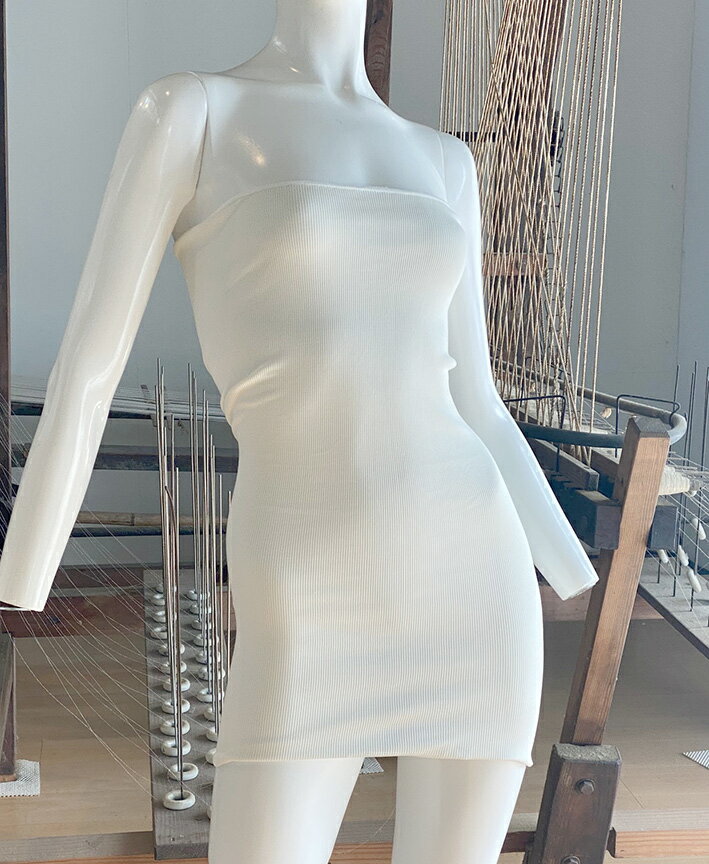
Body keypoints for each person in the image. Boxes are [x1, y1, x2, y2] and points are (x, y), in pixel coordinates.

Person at [0, 1, 599, 861]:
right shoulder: (194, 112)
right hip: (304, 573)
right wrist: (23, 571)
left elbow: (477, 398)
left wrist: (570, 568)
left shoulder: (447, 162)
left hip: (474, 574)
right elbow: (89, 368)